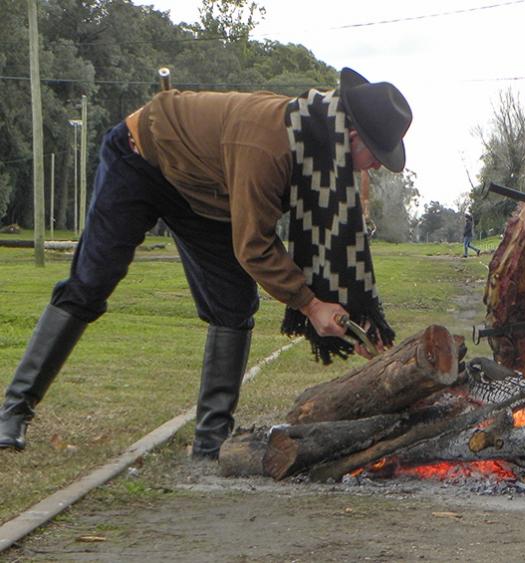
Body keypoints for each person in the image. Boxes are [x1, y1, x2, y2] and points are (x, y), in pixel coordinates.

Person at [0, 68, 411, 458]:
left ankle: (211, 440)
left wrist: (354, 318)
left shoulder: (319, 148)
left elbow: (327, 247)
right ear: (349, 135)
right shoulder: (269, 146)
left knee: (233, 304)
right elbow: (254, 245)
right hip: (140, 159)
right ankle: (13, 412)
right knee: (90, 283)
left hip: (205, 195)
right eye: (374, 154)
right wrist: (310, 304)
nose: (376, 165)